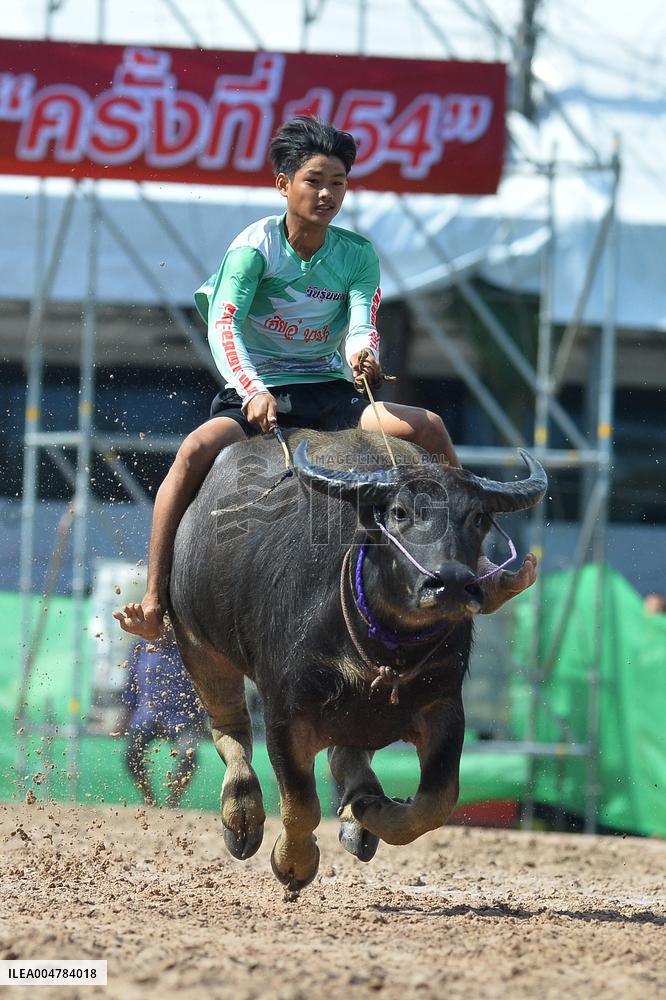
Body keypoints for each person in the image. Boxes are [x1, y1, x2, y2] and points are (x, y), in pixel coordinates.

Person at [114, 116, 537, 641]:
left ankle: (481, 570)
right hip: (260, 390)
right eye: (314, 180)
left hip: (330, 392)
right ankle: (155, 598)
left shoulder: (356, 255)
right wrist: (252, 392)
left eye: (338, 183)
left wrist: (365, 357)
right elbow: (223, 326)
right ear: (283, 184)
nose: (327, 194)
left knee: (427, 425)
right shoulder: (254, 249)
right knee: (195, 451)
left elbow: (362, 323)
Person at [118, 631, 208, 807]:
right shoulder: (139, 648)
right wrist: (124, 719)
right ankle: (149, 799)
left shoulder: (186, 648)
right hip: (146, 717)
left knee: (188, 754)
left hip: (181, 718)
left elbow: (201, 687)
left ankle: (173, 801)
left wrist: (200, 719)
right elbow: (131, 686)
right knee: (131, 755)